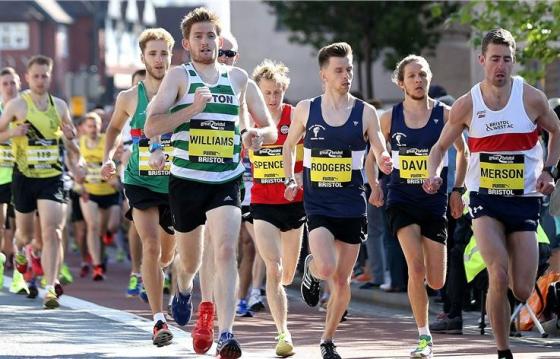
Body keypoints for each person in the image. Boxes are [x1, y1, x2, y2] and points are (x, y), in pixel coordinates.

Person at [145, 7, 277, 358]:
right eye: (199, 36)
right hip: (186, 180)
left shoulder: (238, 79)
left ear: (219, 41)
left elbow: (269, 127)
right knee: (189, 261)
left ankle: (225, 332)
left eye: (211, 35)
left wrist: (255, 135)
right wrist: (190, 109)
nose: (206, 41)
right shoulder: (178, 77)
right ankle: (185, 288)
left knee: (224, 250)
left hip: (225, 179)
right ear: (187, 43)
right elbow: (151, 126)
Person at [424, 28, 560, 359]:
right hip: (485, 200)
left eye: (507, 60)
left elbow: (557, 130)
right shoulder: (467, 104)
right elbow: (440, 147)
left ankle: (510, 308)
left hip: (525, 200)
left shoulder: (531, 98)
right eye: (495, 59)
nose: (501, 66)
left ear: (514, 62)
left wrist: (549, 171)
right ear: (482, 60)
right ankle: (502, 351)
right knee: (497, 273)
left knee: (522, 287)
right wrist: (432, 174)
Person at [282, 42, 392, 359]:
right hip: (319, 204)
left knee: (343, 281)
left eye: (349, 70)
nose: (346, 76)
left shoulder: (365, 112)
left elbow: (380, 146)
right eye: (339, 70)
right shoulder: (307, 109)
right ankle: (313, 269)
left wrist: (384, 161)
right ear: (324, 75)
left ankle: (328, 340)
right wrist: (291, 177)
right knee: (328, 267)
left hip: (352, 204)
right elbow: (289, 147)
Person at [368, 54, 467, 358]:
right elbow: (372, 157)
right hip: (401, 199)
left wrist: (457, 190)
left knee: (436, 280)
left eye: (422, 75)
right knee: (416, 265)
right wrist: (374, 185)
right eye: (411, 76)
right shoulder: (389, 118)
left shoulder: (446, 114)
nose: (418, 80)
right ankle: (424, 336)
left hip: (434, 202)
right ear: (401, 82)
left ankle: (428, 311)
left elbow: (464, 152)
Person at [101, 28, 176, 347]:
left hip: (176, 182)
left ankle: (170, 282)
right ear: (142, 57)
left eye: (164, 53)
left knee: (168, 253)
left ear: (173, 56)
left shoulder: (183, 89)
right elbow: (114, 128)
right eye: (153, 53)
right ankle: (159, 320)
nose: (159, 60)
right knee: (150, 245)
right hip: (140, 180)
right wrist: (106, 158)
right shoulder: (130, 96)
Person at [0, 55, 81, 309]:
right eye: (35, 76)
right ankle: (21, 250)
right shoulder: (16, 106)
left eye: (45, 75)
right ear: (27, 77)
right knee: (24, 234)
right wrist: (11, 133)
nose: (40, 80)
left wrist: (72, 139)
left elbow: (71, 143)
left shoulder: (59, 106)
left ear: (50, 76)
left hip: (52, 177)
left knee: (52, 231)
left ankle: (50, 286)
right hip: (24, 177)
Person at [250, 59, 305, 357]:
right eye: (267, 93)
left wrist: (297, 178)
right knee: (274, 268)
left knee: (287, 276)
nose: (272, 99)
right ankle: (283, 333)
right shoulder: (250, 118)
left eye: (277, 92)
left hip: (293, 203)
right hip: (262, 202)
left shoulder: (295, 116)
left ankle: (307, 271)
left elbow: (311, 155)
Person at [79, 111, 121, 280]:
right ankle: (97, 266)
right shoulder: (80, 142)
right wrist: (79, 181)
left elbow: (118, 158)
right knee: (93, 226)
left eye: (95, 125)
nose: (93, 129)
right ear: (84, 128)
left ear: (100, 126)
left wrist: (115, 177)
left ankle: (107, 237)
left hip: (109, 191)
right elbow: (76, 162)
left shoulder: (107, 141)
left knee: (113, 226)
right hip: (90, 191)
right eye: (89, 126)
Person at [0, 67, 19, 288]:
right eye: (5, 83)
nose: (9, 87)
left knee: (19, 227)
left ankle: (17, 265)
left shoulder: (25, 108)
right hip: (0, 175)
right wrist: (11, 134)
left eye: (12, 82)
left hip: (21, 174)